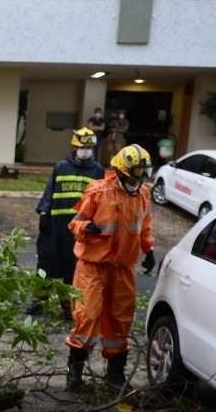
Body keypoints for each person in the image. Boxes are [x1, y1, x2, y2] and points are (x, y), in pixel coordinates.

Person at [65, 144, 156, 391]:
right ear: (121, 170)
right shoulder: (98, 192)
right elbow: (75, 224)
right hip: (93, 266)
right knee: (88, 316)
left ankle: (115, 375)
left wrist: (148, 250)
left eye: (142, 174)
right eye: (134, 174)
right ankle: (74, 372)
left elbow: (144, 225)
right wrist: (86, 228)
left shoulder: (143, 194)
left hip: (123, 268)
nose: (138, 180)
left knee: (120, 319)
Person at [36, 127, 104, 288]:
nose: (85, 151)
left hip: (79, 229)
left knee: (72, 267)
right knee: (46, 263)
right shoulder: (61, 167)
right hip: (55, 225)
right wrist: (44, 213)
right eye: (82, 147)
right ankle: (38, 301)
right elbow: (49, 190)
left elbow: (101, 199)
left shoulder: (97, 171)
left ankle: (68, 306)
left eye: (88, 148)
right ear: (75, 147)